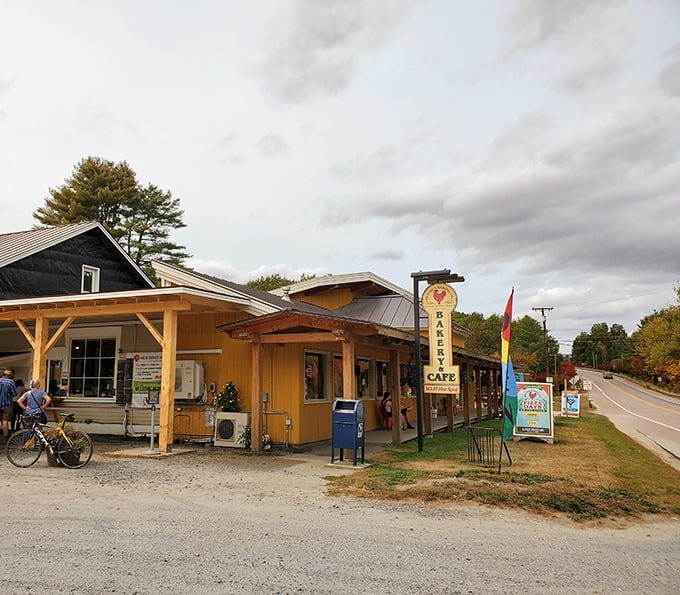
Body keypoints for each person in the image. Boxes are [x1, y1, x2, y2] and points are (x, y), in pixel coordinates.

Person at [0, 369, 18, 441]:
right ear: (10, 375)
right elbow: (14, 393)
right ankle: (5, 437)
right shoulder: (11, 382)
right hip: (7, 404)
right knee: (5, 420)